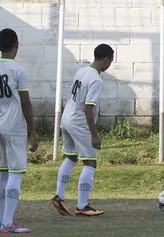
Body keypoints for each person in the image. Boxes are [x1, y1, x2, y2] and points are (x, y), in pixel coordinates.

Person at [0, 28, 39, 234]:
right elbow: (26, 102)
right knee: (15, 173)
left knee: (3, 172)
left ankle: (3, 221)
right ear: (16, 45)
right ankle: (7, 222)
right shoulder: (19, 70)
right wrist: (32, 132)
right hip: (14, 127)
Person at [51, 44, 114, 218]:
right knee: (90, 162)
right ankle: (82, 205)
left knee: (71, 157)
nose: (110, 64)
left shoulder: (82, 71)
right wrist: (94, 134)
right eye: (111, 60)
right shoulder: (96, 79)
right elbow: (88, 107)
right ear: (106, 59)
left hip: (66, 118)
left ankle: (59, 196)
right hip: (79, 122)